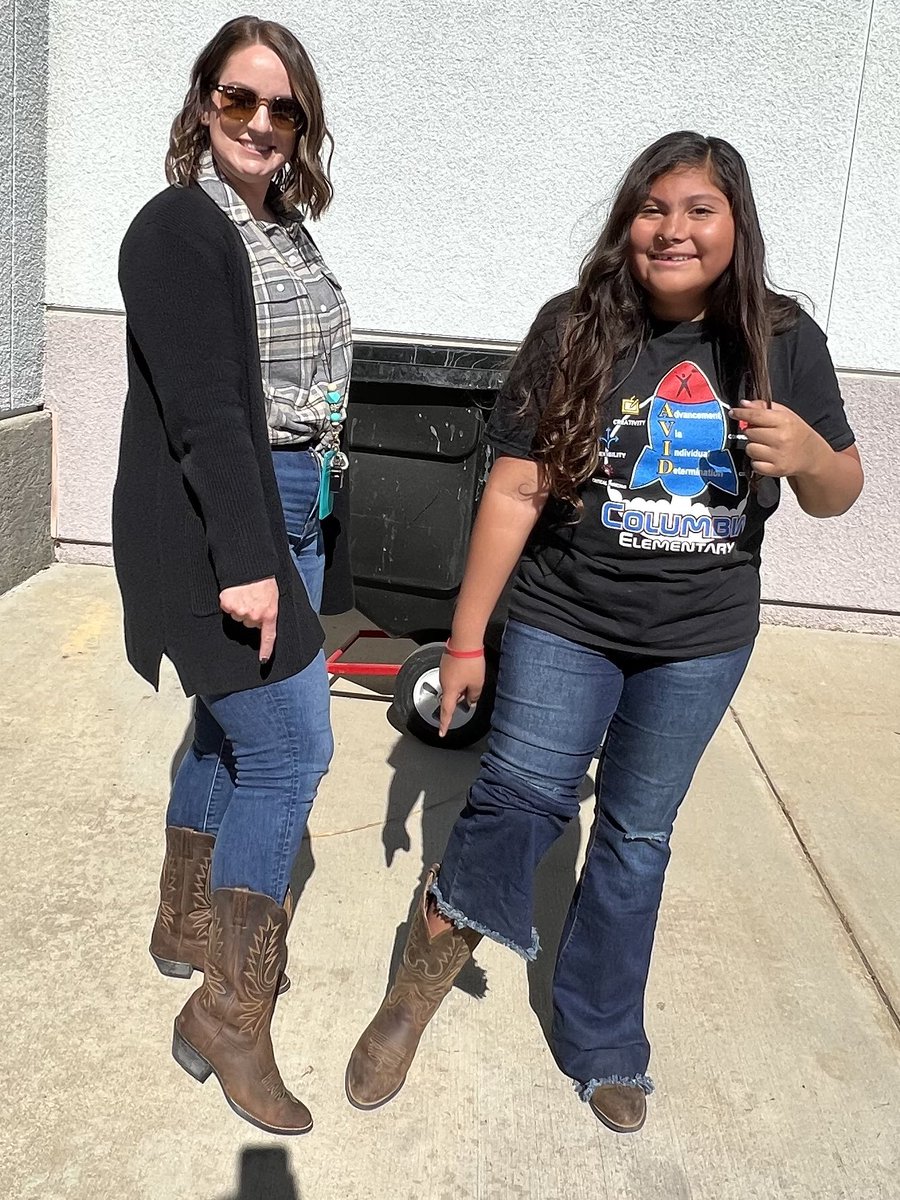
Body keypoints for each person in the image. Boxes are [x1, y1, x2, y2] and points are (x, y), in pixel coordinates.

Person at [345, 130, 863, 1133]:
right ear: (629, 221)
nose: (672, 229)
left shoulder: (783, 340)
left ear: (735, 224)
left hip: (700, 638)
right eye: (652, 207)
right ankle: (417, 989)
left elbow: (841, 491)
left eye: (697, 209)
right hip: (566, 616)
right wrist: (464, 642)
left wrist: (805, 454)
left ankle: (602, 1038)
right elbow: (513, 490)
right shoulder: (575, 326)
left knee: (635, 835)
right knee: (517, 799)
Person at [114, 15, 352, 1136]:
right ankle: (228, 1012)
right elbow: (209, 409)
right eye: (237, 99)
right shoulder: (178, 228)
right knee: (294, 745)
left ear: (303, 124)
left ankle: (184, 927)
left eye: (282, 107)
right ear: (203, 103)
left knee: (227, 731)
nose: (259, 123)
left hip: (290, 501)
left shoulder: (283, 229)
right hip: (232, 523)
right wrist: (252, 563)